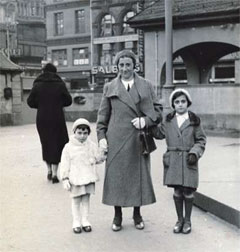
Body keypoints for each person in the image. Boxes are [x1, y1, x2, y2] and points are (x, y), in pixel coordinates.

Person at [96, 50, 162, 231]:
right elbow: (102, 115)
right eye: (121, 65)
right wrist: (101, 137)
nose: (125, 69)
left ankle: (137, 214)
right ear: (117, 67)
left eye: (128, 65)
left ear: (135, 66)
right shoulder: (109, 87)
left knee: (137, 177)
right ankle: (117, 216)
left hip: (138, 139)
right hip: (116, 139)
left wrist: (145, 121)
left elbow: (158, 110)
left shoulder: (146, 86)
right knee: (117, 177)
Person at [153, 88, 206, 234]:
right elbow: (159, 134)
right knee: (177, 191)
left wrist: (195, 152)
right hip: (173, 160)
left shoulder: (194, 120)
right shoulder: (168, 120)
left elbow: (201, 140)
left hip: (189, 159)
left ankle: (188, 220)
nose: (180, 104)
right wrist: (151, 123)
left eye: (183, 101)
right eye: (177, 102)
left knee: (188, 191)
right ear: (173, 105)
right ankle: (179, 220)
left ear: (188, 103)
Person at [27, 63, 72, 183]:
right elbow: (69, 101)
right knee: (57, 143)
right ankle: (55, 174)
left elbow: (30, 102)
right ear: (55, 72)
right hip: (57, 117)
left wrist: (41, 105)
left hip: (42, 118)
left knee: (46, 143)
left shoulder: (37, 84)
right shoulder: (60, 84)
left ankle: (48, 170)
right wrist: (58, 103)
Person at [60, 118, 105, 234]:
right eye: (79, 133)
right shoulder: (68, 147)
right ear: (74, 132)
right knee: (75, 200)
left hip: (88, 177)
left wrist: (102, 152)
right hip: (75, 178)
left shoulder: (91, 145)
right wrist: (65, 178)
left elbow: (98, 158)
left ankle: (85, 220)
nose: (82, 136)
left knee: (86, 199)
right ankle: (76, 221)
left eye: (85, 133)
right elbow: (65, 163)